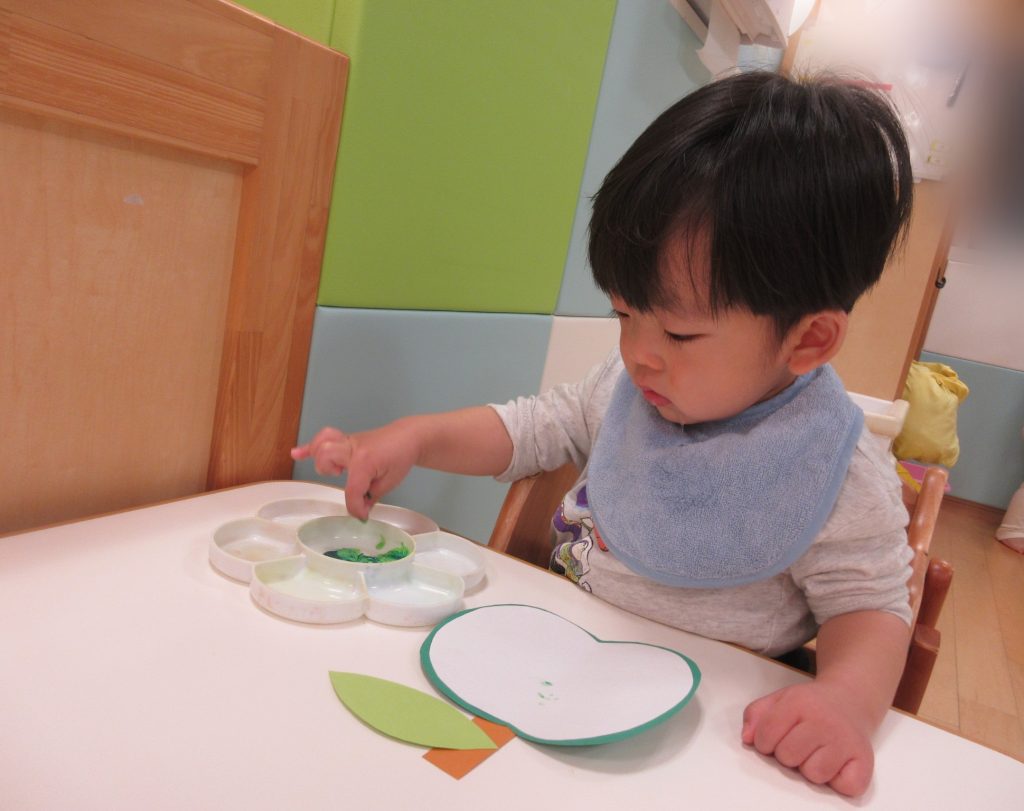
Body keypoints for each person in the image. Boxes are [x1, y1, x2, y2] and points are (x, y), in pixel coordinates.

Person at [292, 71, 915, 797]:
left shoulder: (835, 471)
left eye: (679, 333)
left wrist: (844, 701)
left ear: (808, 340)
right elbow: (530, 429)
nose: (638, 353)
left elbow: (871, 609)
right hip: (555, 672)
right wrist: (417, 436)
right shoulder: (629, 388)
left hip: (693, 736)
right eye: (624, 314)